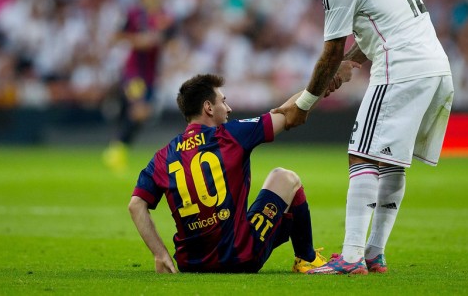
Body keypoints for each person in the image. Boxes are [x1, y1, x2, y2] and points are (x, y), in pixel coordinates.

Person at [274, 0, 454, 275]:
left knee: (361, 156)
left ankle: (351, 257)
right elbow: (381, 27)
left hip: (400, 71)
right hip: (436, 69)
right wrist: (352, 62)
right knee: (390, 162)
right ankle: (374, 253)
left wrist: (305, 104)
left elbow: (328, 51)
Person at [128, 73, 330, 273]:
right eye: (223, 102)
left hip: (190, 263)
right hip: (240, 257)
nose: (229, 108)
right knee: (285, 178)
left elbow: (136, 205)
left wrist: (160, 254)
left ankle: (306, 257)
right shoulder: (231, 135)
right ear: (208, 107)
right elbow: (290, 115)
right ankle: (307, 258)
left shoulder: (163, 156)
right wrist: (326, 80)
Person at [103, 0, 174, 173]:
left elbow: (172, 42)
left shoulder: (165, 17)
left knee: (142, 114)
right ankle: (116, 150)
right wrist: (137, 40)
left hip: (151, 74)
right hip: (134, 71)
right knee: (139, 107)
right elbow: (118, 36)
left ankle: (119, 147)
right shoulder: (134, 14)